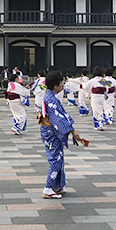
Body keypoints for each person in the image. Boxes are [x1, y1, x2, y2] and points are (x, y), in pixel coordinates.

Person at [38, 71, 82, 199]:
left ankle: (56, 186)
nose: (63, 85)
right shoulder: (50, 99)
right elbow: (58, 119)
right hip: (51, 133)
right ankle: (48, 188)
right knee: (56, 159)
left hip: (49, 132)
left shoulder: (50, 97)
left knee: (58, 158)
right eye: (61, 83)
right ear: (55, 85)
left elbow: (61, 116)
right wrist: (72, 130)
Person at [84, 66, 107, 131]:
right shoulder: (103, 80)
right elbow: (106, 88)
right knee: (101, 110)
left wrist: (82, 83)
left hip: (95, 96)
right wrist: (106, 95)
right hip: (101, 96)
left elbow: (86, 86)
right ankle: (101, 123)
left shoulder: (93, 80)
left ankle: (96, 125)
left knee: (95, 110)